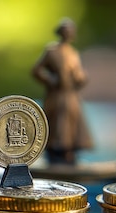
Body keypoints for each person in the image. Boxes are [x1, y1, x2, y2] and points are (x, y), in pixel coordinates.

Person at [31, 18, 93, 165]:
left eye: (71, 31)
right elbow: (36, 70)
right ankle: (55, 150)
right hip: (57, 94)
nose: (68, 34)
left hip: (71, 94)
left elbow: (78, 73)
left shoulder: (73, 53)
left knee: (72, 120)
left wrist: (81, 77)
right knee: (56, 121)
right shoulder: (51, 51)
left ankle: (70, 149)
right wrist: (50, 80)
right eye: (66, 31)